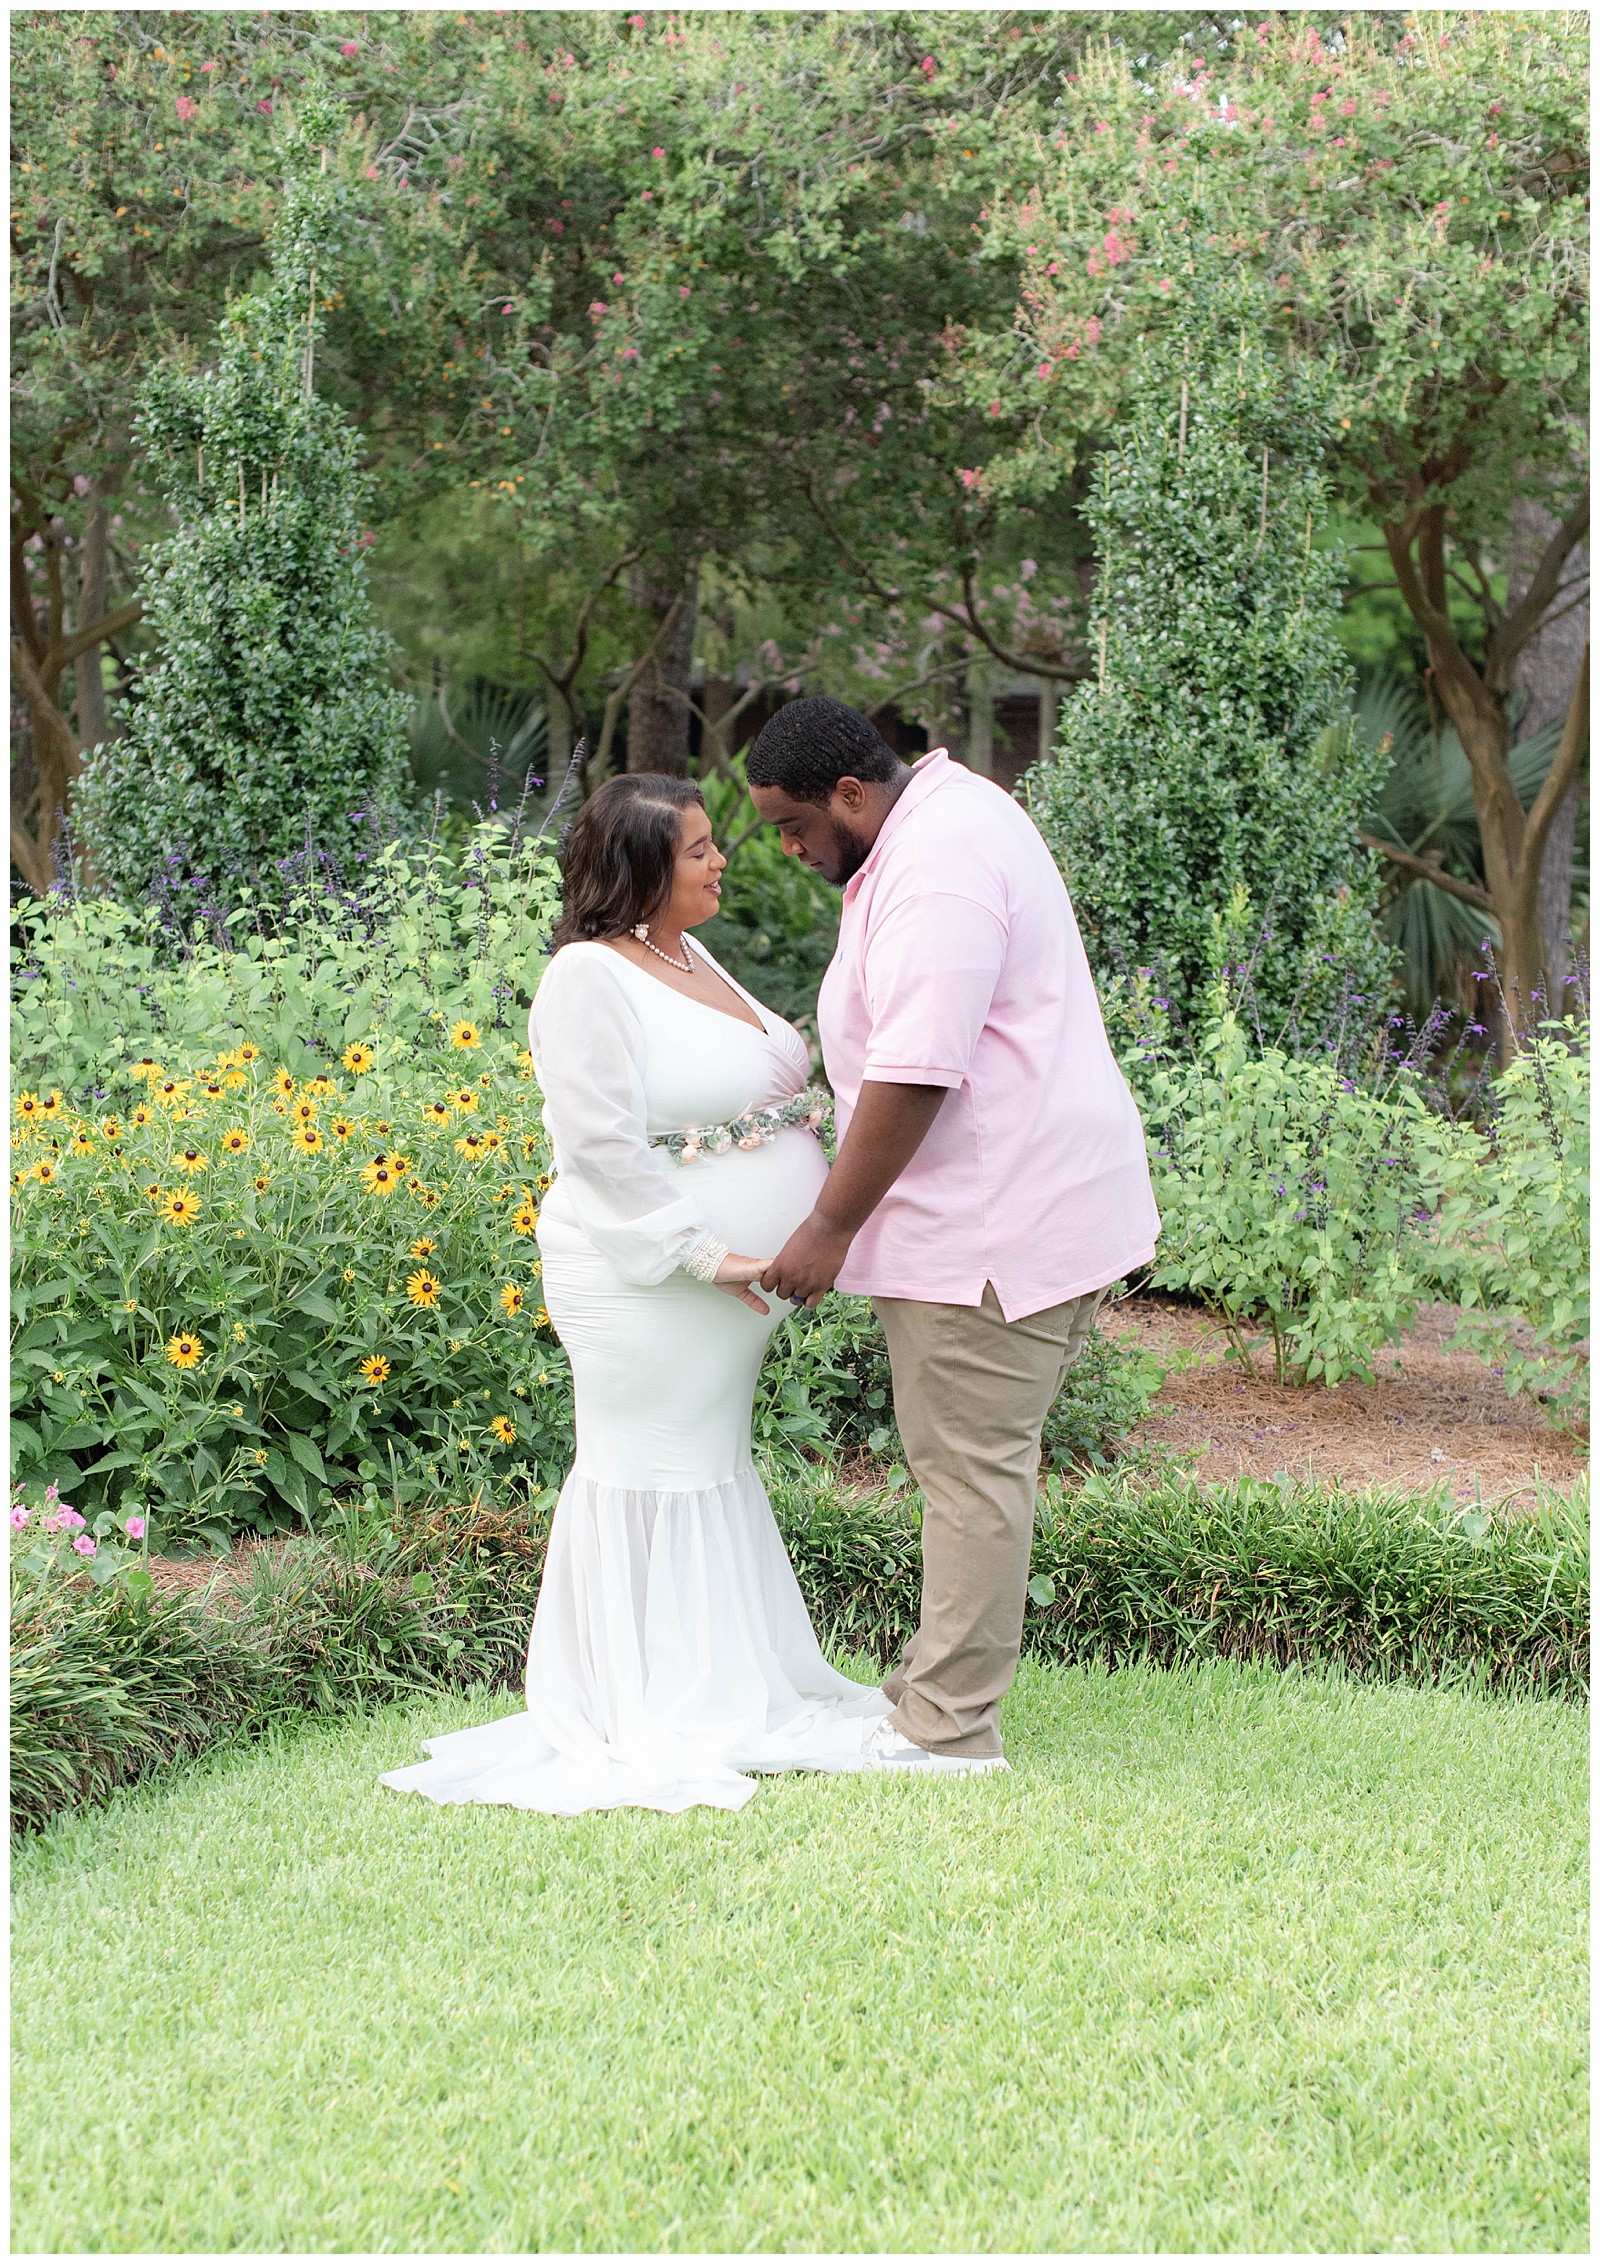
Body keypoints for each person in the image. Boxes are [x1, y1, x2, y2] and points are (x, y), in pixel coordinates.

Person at [380, 773, 895, 1818]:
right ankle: (637, 1701)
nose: (720, 861)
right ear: (639, 866)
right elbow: (601, 1146)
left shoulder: (685, 952)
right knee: (650, 1465)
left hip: (725, 1292)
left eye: (713, 844)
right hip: (645, 1281)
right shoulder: (585, 977)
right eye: (697, 849)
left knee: (705, 1464)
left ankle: (718, 1683)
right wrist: (710, 1255)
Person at [747, 698, 1160, 1774]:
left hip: (992, 1222)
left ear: (850, 793)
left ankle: (948, 1730)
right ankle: (924, 1696)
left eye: (792, 825)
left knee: (971, 1470)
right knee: (969, 1464)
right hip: (1015, 1203)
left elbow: (917, 1064)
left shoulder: (937, 860)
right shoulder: (942, 819)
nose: (789, 849)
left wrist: (830, 1223)